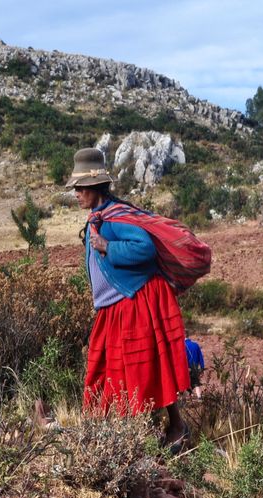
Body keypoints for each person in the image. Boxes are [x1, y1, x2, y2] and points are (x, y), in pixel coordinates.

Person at [68, 148, 190, 451]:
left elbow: (145, 249)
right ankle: (130, 437)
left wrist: (108, 246)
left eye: (80, 188)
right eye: (75, 188)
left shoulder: (115, 218)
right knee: (118, 373)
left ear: (96, 187)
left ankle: (168, 431)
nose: (76, 194)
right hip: (114, 306)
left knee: (142, 370)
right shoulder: (98, 218)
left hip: (135, 300)